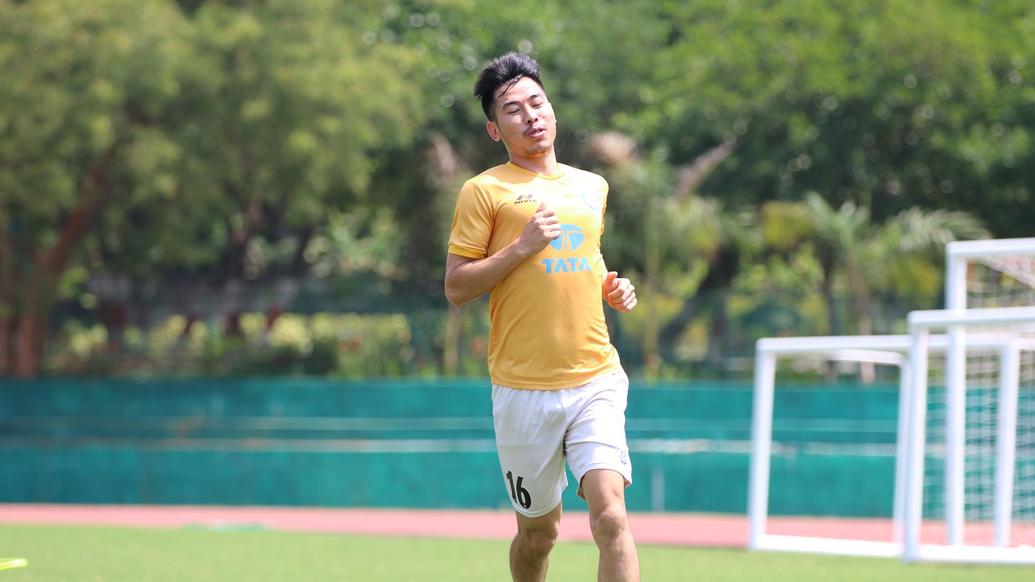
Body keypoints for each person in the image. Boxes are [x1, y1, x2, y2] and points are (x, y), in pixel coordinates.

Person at [443, 52, 640, 582]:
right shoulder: (484, 191)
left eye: (537, 102)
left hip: (595, 376)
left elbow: (588, 258)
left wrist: (611, 287)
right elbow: (457, 286)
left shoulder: (591, 186)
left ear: (551, 109)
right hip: (523, 389)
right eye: (513, 109)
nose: (530, 115)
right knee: (539, 534)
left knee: (611, 518)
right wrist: (520, 248)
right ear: (494, 129)